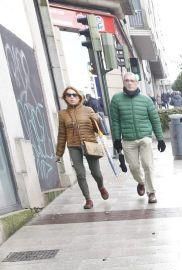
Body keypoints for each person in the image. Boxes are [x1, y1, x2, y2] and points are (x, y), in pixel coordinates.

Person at [110, 72, 165, 204]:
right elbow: (115, 121)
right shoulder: (116, 99)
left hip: (144, 137)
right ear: (123, 82)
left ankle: (151, 192)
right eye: (127, 80)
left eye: (132, 81)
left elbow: (155, 120)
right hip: (128, 139)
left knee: (148, 165)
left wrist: (160, 138)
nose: (129, 83)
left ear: (137, 82)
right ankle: (141, 182)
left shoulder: (146, 100)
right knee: (134, 167)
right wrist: (117, 139)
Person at [56, 85, 108, 210]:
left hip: (90, 143)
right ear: (65, 98)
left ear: (79, 97)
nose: (72, 97)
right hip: (73, 146)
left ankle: (101, 186)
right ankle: (88, 199)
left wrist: (98, 120)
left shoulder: (88, 109)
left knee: (96, 173)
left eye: (74, 95)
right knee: (80, 174)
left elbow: (99, 130)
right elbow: (62, 134)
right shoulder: (63, 114)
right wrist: (59, 153)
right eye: (69, 95)